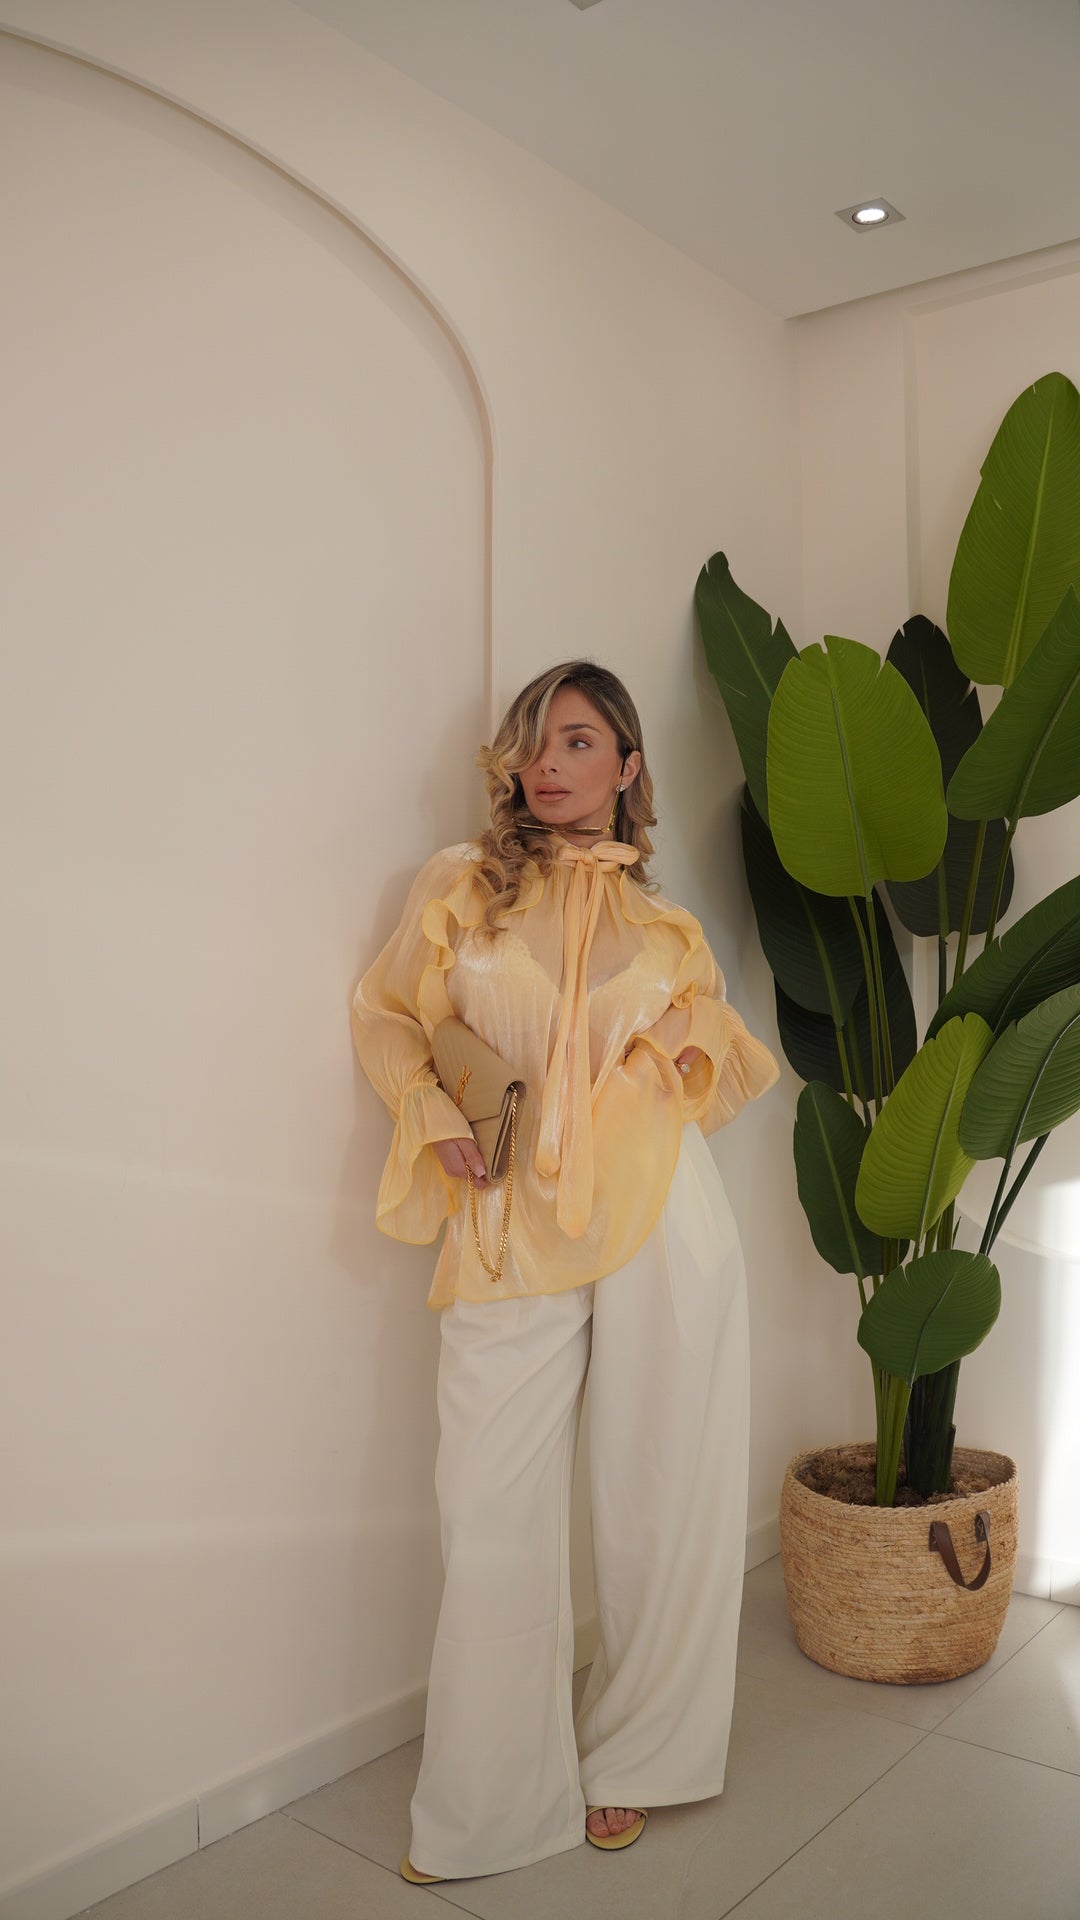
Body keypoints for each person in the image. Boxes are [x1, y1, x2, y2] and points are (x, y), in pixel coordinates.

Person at [350, 660, 778, 1885]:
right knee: (489, 1506)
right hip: (507, 1217)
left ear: (629, 766)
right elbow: (388, 1014)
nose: (549, 762)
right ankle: (492, 1801)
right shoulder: (459, 886)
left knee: (664, 1491)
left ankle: (644, 1754)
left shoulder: (663, 925)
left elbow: (719, 1042)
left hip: (663, 1218)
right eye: (534, 740)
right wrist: (431, 1109)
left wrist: (666, 1047)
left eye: (580, 740)